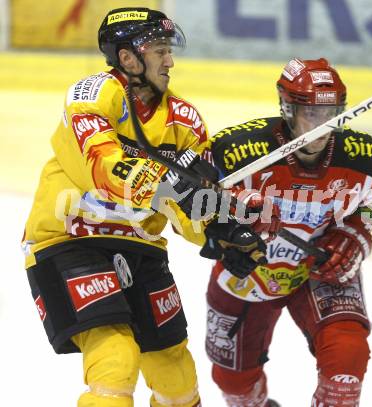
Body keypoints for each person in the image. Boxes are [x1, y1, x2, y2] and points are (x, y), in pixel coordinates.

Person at [22, 7, 267, 407]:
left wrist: (220, 227)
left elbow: (188, 213)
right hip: (69, 239)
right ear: (127, 57)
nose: (169, 60)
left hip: (141, 248)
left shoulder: (185, 121)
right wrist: (170, 184)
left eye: (169, 50)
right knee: (115, 361)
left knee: (177, 377)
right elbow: (102, 167)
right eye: (158, 49)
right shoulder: (93, 94)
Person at [205, 58, 372, 406]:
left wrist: (353, 236)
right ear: (287, 108)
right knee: (233, 382)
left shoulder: (369, 159)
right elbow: (192, 207)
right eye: (312, 114)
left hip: (321, 268)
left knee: (347, 359)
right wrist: (233, 219)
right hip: (248, 271)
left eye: (332, 114)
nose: (323, 126)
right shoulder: (235, 153)